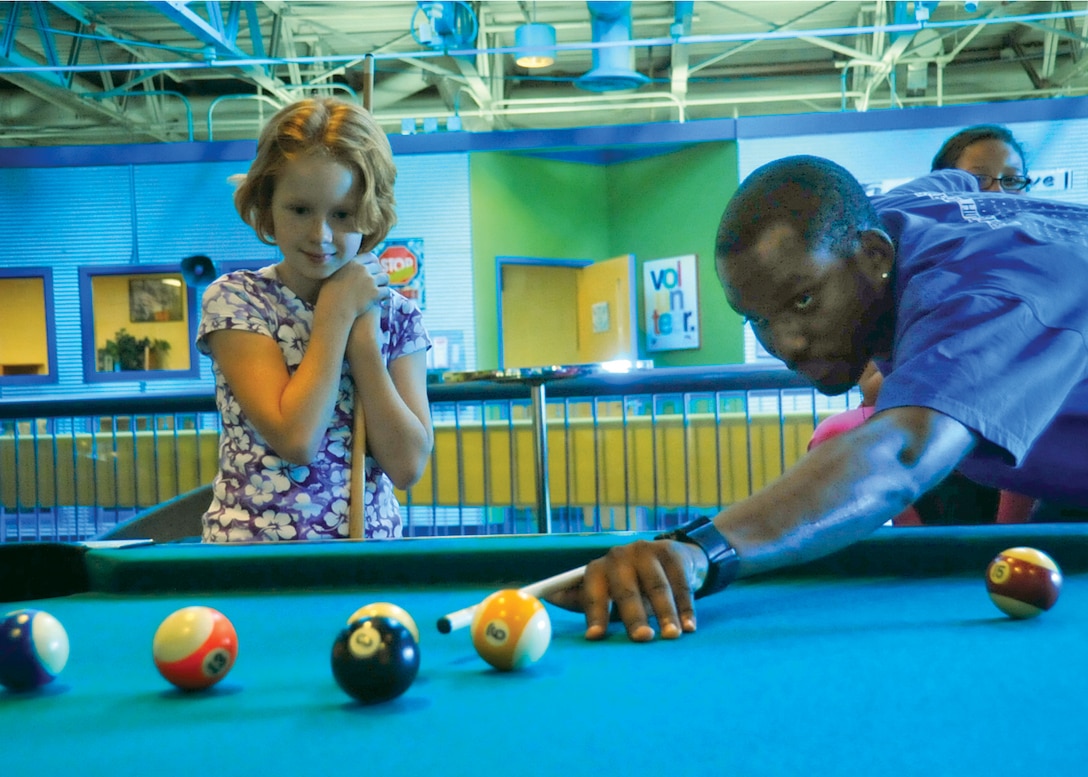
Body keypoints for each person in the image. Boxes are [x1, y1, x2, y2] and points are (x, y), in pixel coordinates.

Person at [551, 154, 1088, 641]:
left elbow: (903, 452)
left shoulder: (989, 297)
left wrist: (703, 550)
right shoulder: (882, 222)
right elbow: (957, 181)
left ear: (874, 256)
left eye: (804, 301)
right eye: (759, 320)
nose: (785, 344)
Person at [196, 97, 433, 542]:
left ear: (371, 213)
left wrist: (363, 342)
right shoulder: (237, 299)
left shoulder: (398, 317)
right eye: (300, 210)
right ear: (267, 205)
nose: (320, 235)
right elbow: (296, 439)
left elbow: (407, 467)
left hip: (370, 556)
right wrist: (337, 315)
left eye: (342, 215)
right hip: (253, 560)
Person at [809, 124, 1034, 526]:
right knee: (840, 433)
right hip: (928, 419)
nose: (997, 192)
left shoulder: (1038, 260)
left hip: (1010, 423)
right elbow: (873, 385)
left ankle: (1010, 544)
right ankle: (918, 556)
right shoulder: (902, 261)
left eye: (1013, 180)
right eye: (979, 179)